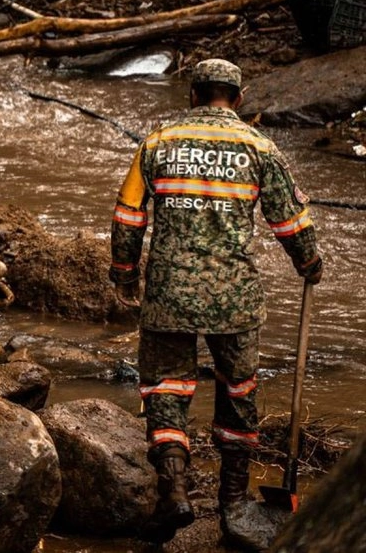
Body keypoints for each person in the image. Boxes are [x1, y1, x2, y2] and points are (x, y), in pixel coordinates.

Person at [109, 58, 323, 547]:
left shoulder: (159, 141)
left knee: (166, 388)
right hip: (235, 299)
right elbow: (290, 221)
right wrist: (309, 264)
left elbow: (128, 215)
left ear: (192, 94)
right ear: (239, 98)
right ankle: (232, 501)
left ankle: (176, 488)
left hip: (168, 292)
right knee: (238, 391)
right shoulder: (258, 147)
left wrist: (123, 273)